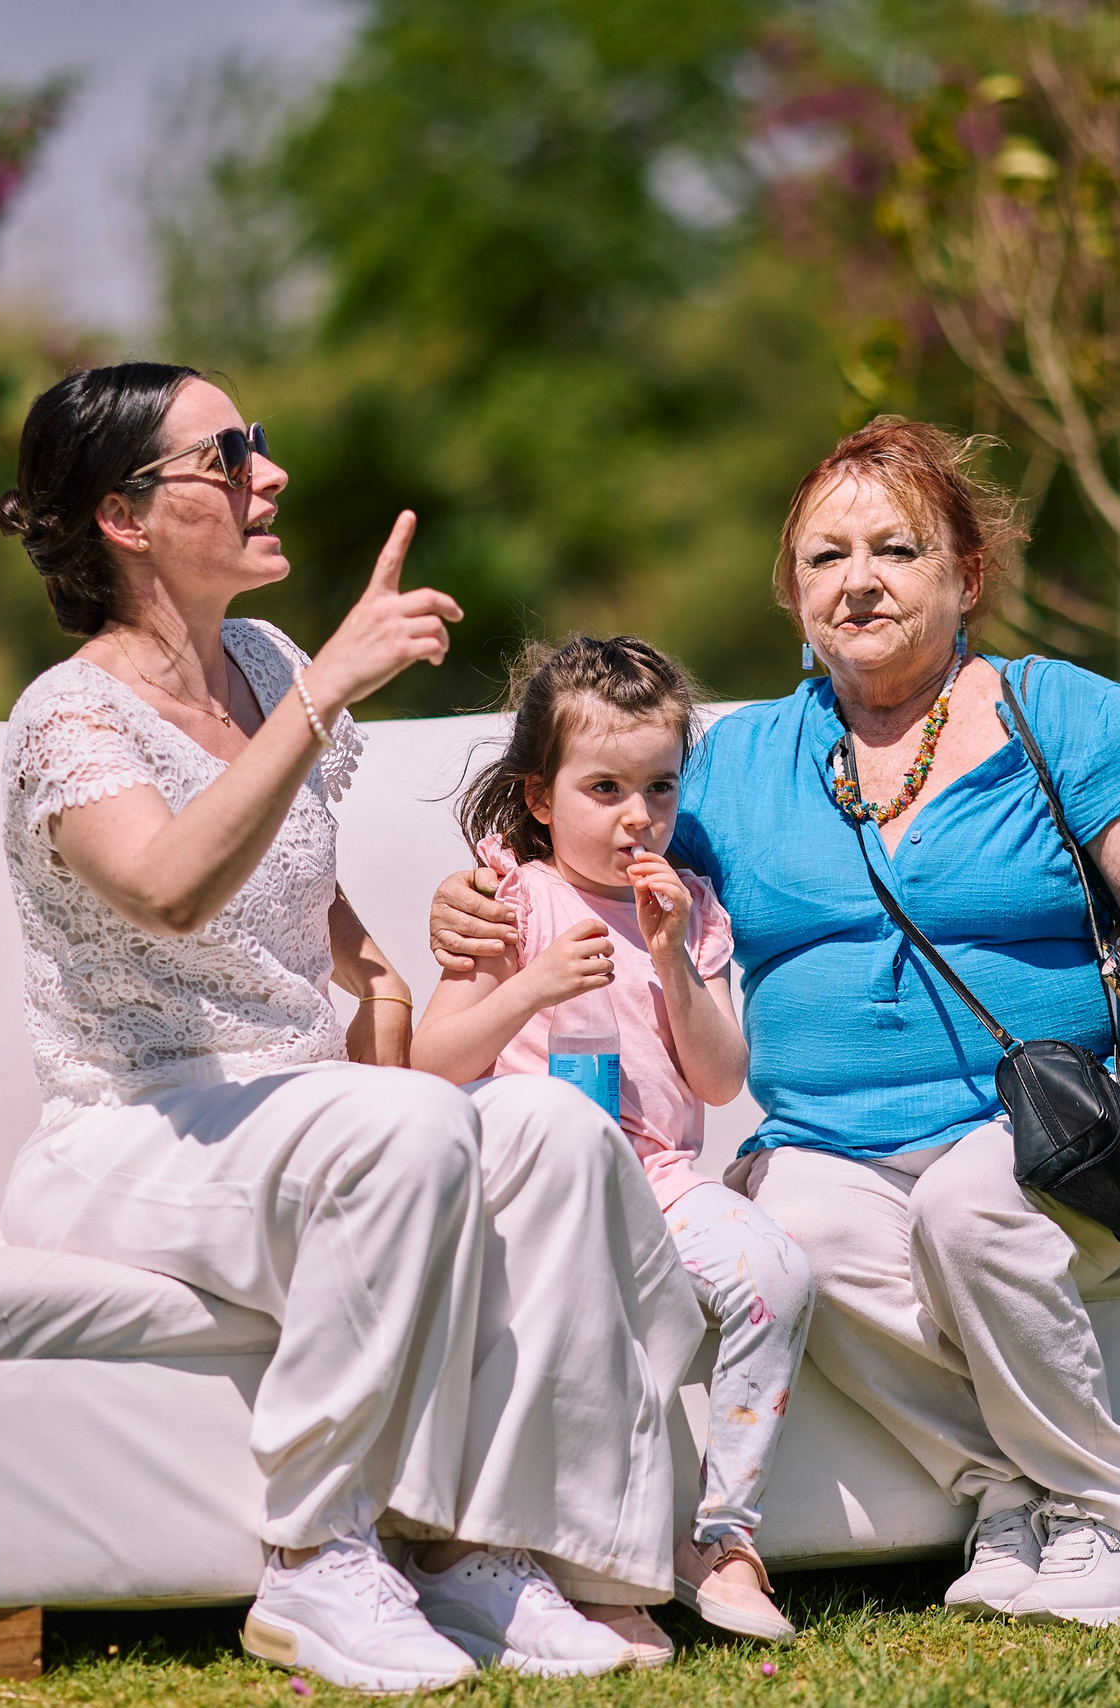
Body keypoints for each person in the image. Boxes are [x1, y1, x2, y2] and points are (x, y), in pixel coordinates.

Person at [428, 418, 1120, 1630]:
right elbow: (586, 843)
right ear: (792, 593)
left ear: (967, 576)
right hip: (827, 1140)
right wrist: (472, 892)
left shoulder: (1063, 713)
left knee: (965, 1203)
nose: (857, 581)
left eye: (894, 549)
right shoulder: (736, 759)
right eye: (824, 556)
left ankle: (1109, 1519)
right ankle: (1002, 1498)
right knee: (787, 1224)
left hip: (1038, 1132)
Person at [0, 363, 701, 1693]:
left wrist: (422, 965)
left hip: (303, 1109)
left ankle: (478, 1548)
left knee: (547, 1126)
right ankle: (316, 1555)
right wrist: (330, 694)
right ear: (125, 518)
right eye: (228, 457)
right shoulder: (67, 718)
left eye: (257, 444)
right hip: (134, 1126)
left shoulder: (266, 663)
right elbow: (171, 885)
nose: (272, 475)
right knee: (411, 1128)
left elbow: (323, 928)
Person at [411, 635, 811, 1649]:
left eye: (660, 788)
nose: (639, 816)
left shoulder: (690, 908)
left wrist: (673, 954)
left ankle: (723, 1536)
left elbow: (720, 1079)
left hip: (662, 1176)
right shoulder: (509, 895)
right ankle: (586, 1570)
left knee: (779, 1274)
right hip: (539, 1183)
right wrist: (530, 983)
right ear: (540, 797)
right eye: (605, 788)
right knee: (597, 1308)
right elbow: (431, 1062)